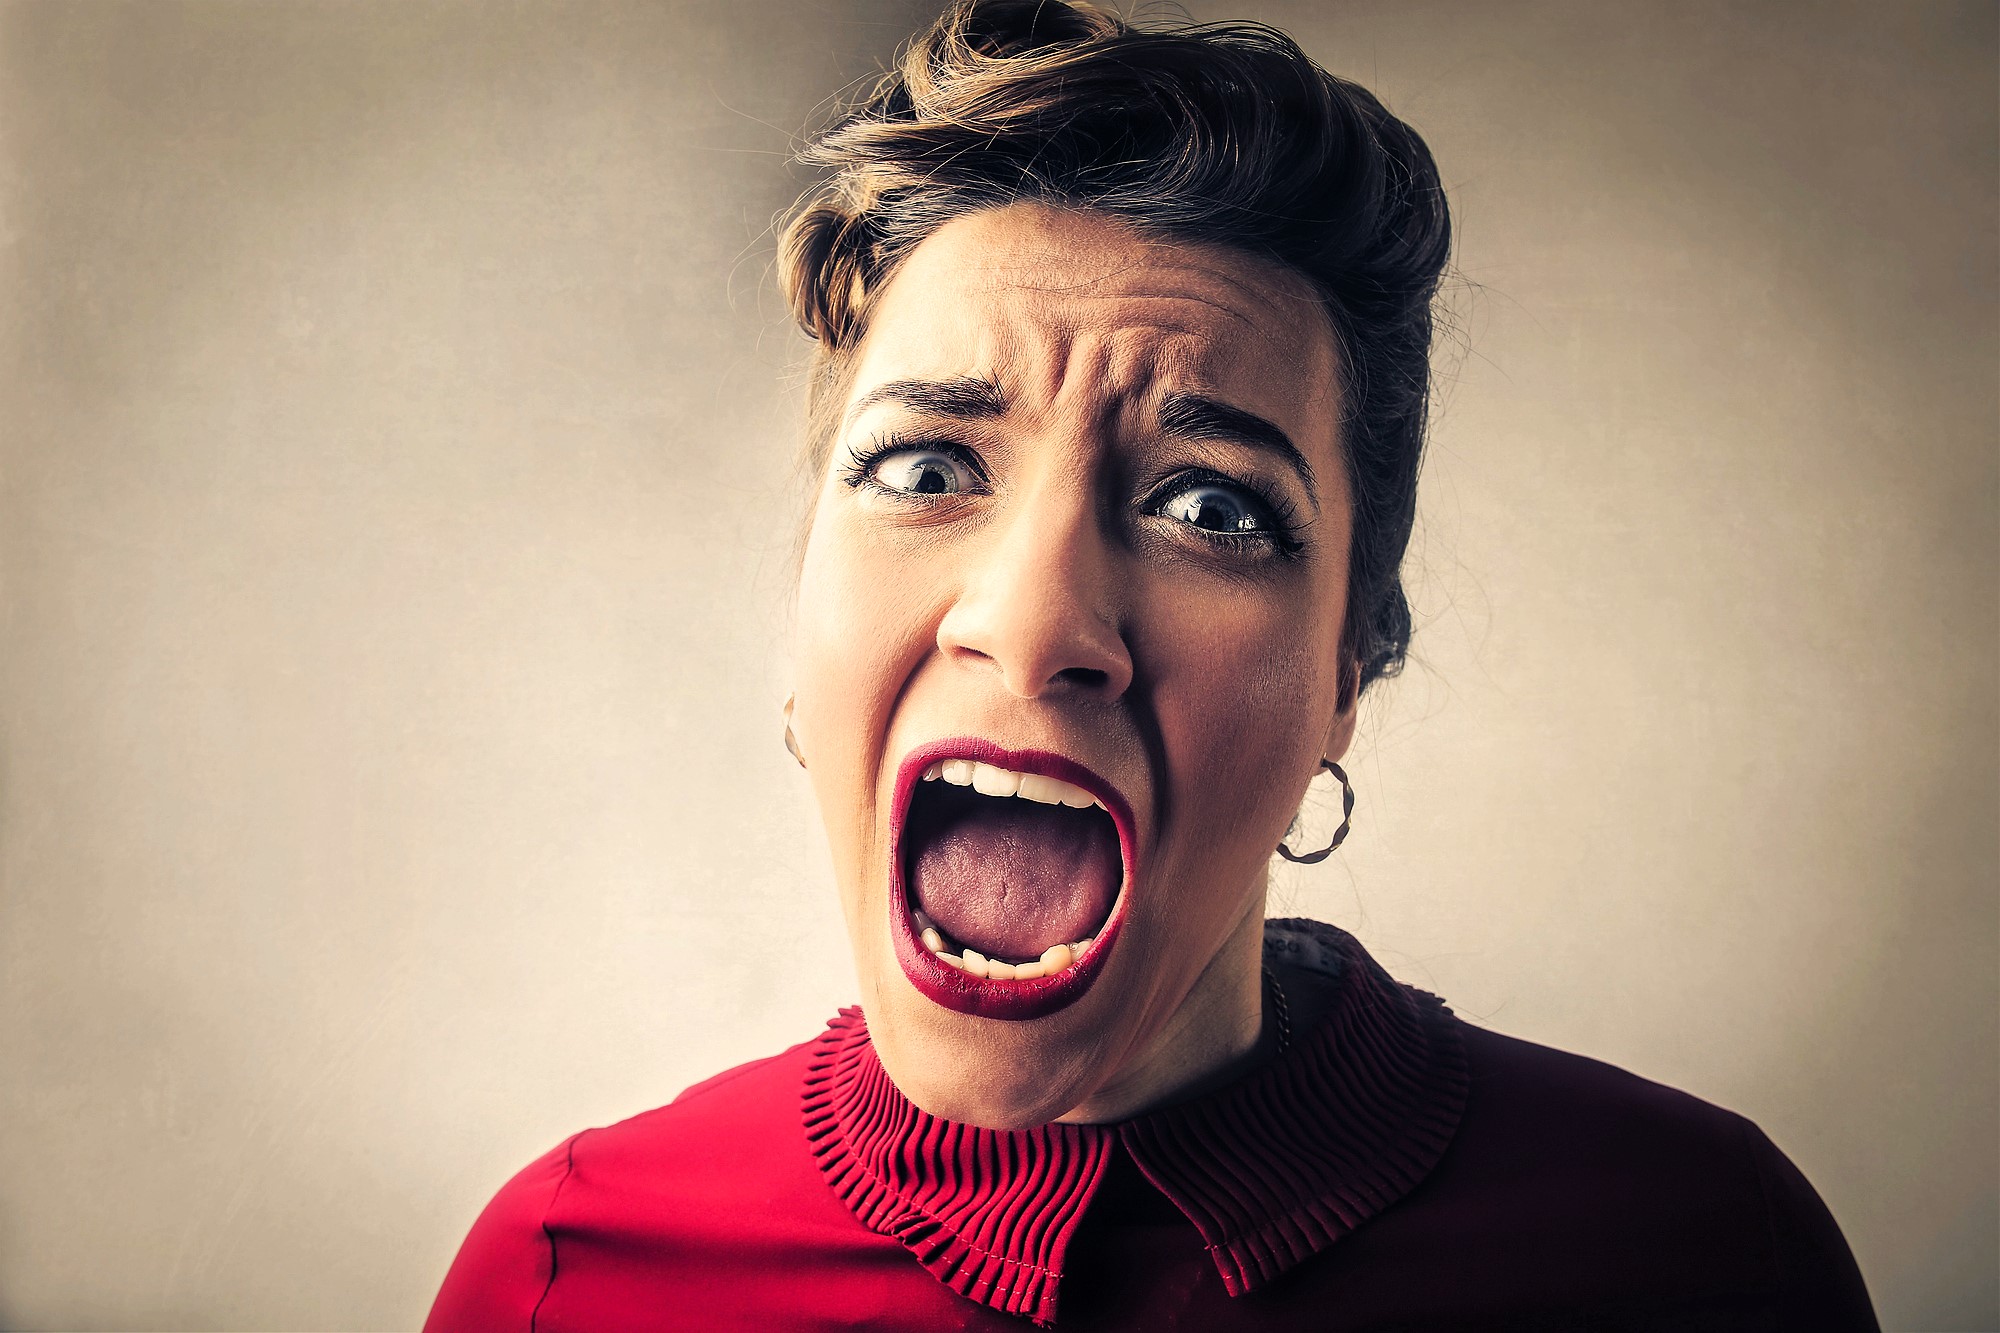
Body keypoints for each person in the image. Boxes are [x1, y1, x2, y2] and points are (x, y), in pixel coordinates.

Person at [423, 2, 1878, 1327]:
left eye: (1212, 508)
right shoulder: (562, 1277)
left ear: (1345, 674)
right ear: (804, 617)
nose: (1037, 622)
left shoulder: (1697, 1256)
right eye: (925, 465)